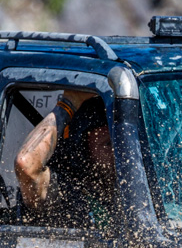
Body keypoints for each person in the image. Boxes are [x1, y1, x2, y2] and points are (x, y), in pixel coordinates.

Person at [14, 92, 115, 231]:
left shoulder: (131, 186)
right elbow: (26, 163)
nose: (117, 153)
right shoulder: (65, 192)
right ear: (83, 149)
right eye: (108, 144)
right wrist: (69, 102)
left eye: (119, 143)